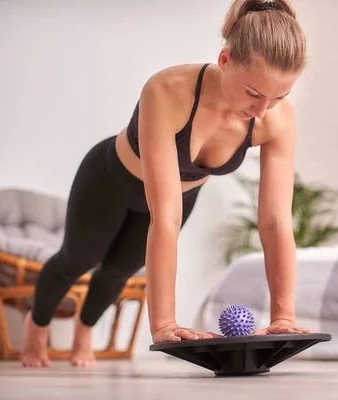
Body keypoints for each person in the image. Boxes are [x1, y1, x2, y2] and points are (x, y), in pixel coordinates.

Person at [20, 0, 313, 368]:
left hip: (183, 194)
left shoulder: (277, 120)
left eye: (279, 97)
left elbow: (274, 222)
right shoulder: (167, 90)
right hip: (110, 182)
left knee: (118, 271)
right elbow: (166, 217)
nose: (263, 110)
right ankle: (37, 324)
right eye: (254, 93)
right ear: (225, 61)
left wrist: (283, 318)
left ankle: (84, 332)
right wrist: (164, 324)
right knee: (78, 259)